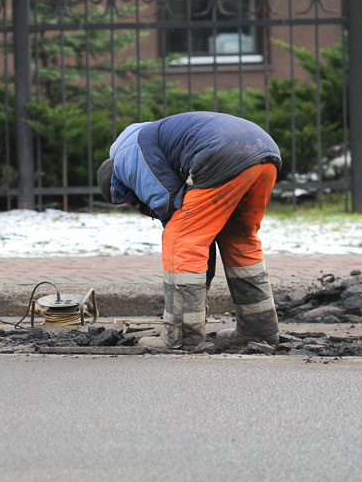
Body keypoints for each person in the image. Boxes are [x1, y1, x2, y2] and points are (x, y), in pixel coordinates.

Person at [97, 111, 282, 351]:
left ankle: (182, 336)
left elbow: (169, 203)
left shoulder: (126, 157)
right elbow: (201, 228)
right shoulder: (150, 138)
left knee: (181, 238)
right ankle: (259, 330)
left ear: (118, 185)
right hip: (263, 152)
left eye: (129, 202)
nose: (134, 206)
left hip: (222, 154)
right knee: (238, 240)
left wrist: (198, 281)